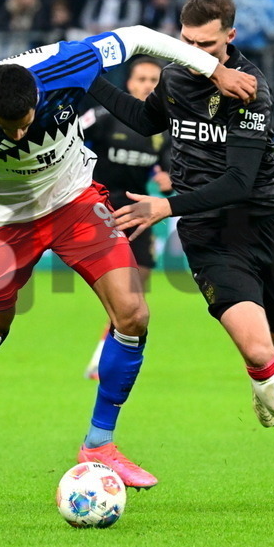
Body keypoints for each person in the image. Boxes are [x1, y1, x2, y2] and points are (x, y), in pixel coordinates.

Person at [0, 24, 256, 490]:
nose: (23, 131)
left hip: (74, 201)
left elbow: (140, 35)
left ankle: (100, 443)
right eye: (12, 129)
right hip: (5, 220)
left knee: (133, 313)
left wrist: (212, 69)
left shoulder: (67, 63)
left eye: (26, 120)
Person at [87, 0, 274, 503]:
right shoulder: (174, 76)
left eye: (206, 45)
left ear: (230, 37)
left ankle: (270, 387)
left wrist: (164, 206)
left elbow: (238, 180)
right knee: (257, 351)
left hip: (266, 224)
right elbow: (146, 121)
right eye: (185, 42)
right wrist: (91, 80)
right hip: (208, 235)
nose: (193, 54)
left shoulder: (250, 90)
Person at [81, 56, 172, 380]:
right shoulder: (106, 116)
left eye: (153, 80)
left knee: (137, 290)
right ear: (129, 83)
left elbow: (171, 169)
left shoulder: (163, 129)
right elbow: (72, 136)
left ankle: (104, 353)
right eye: (142, 79)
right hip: (100, 208)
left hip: (138, 211)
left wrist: (169, 181)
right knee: (121, 292)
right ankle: (103, 357)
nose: (148, 85)